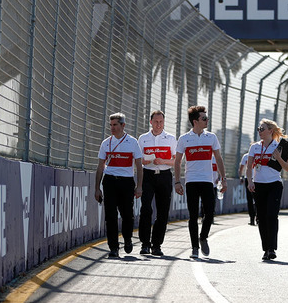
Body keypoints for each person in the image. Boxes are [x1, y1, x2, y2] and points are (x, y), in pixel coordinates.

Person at [174, 105, 227, 259]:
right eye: (204, 118)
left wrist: (224, 179)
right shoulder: (184, 139)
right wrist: (177, 182)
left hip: (208, 181)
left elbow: (218, 158)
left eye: (207, 118)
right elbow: (177, 162)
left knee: (209, 213)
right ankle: (194, 248)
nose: (207, 120)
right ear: (195, 121)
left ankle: (203, 237)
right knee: (192, 216)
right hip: (191, 181)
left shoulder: (211, 137)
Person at [95, 113, 143, 259]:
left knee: (127, 214)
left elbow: (139, 167)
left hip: (127, 182)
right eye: (111, 125)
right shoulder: (105, 143)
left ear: (123, 125)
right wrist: (97, 188)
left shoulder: (133, 142)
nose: (112, 128)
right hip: (109, 181)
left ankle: (127, 239)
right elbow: (100, 167)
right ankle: (113, 247)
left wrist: (139, 186)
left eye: (115, 125)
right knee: (110, 216)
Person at [246, 120, 288, 261]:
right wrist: (250, 181)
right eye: (259, 128)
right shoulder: (254, 147)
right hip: (259, 186)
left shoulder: (279, 147)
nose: (259, 131)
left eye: (262, 128)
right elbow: (248, 168)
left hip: (274, 185)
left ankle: (272, 249)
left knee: (271, 215)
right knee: (261, 217)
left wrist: (278, 158)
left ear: (270, 131)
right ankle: (265, 249)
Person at [137, 110, 176, 257]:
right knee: (146, 209)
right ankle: (145, 244)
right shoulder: (143, 138)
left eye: (161, 122)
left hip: (165, 175)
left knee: (163, 212)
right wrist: (143, 161)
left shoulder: (170, 138)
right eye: (156, 121)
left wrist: (163, 161)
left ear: (164, 122)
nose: (158, 124)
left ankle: (157, 245)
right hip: (148, 175)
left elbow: (175, 161)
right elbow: (138, 159)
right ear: (151, 122)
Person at [238, 151, 256, 226]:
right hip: (248, 178)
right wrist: (240, 176)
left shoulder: (258, 154)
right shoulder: (246, 156)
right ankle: (252, 218)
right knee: (249, 199)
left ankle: (257, 217)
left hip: (257, 179)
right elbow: (241, 167)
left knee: (257, 199)